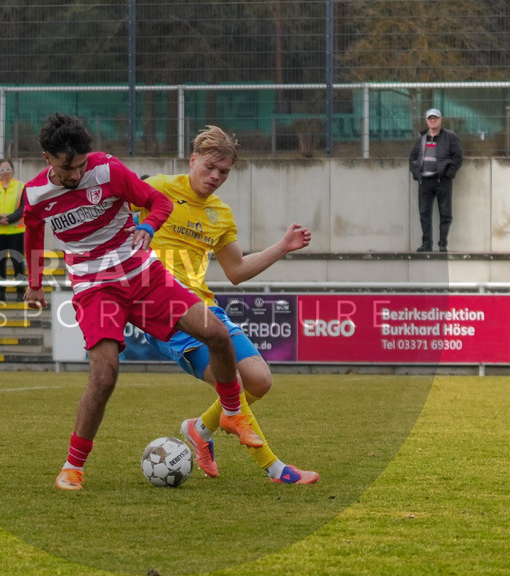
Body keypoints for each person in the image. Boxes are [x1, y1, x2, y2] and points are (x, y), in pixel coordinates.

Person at [22, 113, 263, 491]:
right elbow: (33, 232)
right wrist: (34, 283)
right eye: (68, 167)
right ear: (47, 158)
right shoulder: (35, 194)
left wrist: (147, 226)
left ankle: (232, 412)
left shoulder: (108, 171)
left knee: (216, 333)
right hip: (95, 288)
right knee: (104, 376)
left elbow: (158, 203)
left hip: (143, 276)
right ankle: (73, 466)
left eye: (82, 164)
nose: (76, 174)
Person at [140, 125, 319, 485]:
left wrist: (282, 246)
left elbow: (236, 270)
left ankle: (199, 429)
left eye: (224, 172)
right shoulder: (156, 189)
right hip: (165, 313)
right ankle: (275, 469)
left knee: (261, 381)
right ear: (192, 160)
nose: (216, 177)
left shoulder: (219, 214)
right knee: (234, 385)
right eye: (209, 167)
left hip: (207, 309)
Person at [409, 108, 463, 252]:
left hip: (442, 181)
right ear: (426, 120)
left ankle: (442, 243)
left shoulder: (450, 137)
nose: (433, 120)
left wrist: (449, 174)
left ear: (441, 119)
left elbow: (458, 157)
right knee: (424, 213)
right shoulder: (421, 138)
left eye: (435, 118)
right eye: (430, 118)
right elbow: (413, 157)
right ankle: (426, 244)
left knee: (445, 213)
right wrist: (416, 173)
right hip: (424, 182)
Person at [0, 160, 26, 301]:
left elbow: (23, 207)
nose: (5, 171)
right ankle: (1, 293)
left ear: (13, 170)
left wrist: (10, 218)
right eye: (2, 170)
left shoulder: (21, 187)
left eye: (8, 168)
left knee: (17, 262)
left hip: (16, 231)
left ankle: (20, 292)